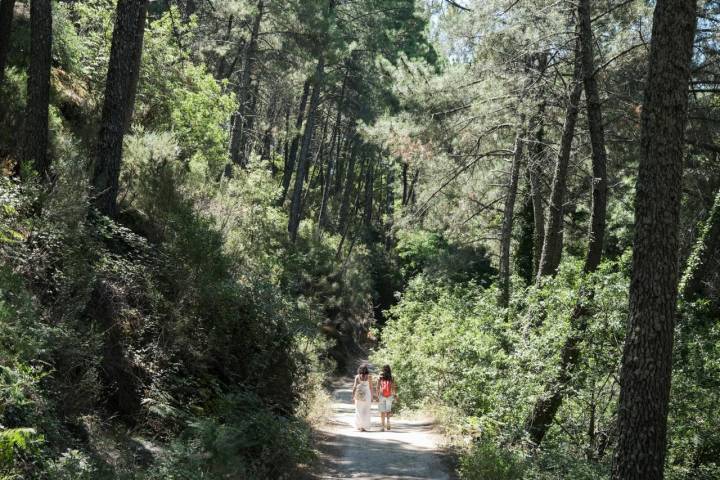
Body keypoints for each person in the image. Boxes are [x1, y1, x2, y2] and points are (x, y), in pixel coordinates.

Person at [352, 364, 374, 431]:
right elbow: (371, 387)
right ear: (367, 370)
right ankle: (365, 427)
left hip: (359, 394)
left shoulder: (357, 377)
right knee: (366, 411)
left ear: (359, 370)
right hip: (367, 394)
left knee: (359, 410)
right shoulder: (369, 377)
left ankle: (359, 426)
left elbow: (354, 387)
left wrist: (353, 396)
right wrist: (372, 397)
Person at [376, 364, 398, 431]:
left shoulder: (380, 376)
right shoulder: (392, 377)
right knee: (388, 410)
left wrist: (377, 396)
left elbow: (377, 387)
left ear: (383, 369)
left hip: (382, 395)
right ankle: (388, 422)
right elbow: (393, 387)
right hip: (389, 395)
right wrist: (395, 395)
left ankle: (382, 426)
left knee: (382, 411)